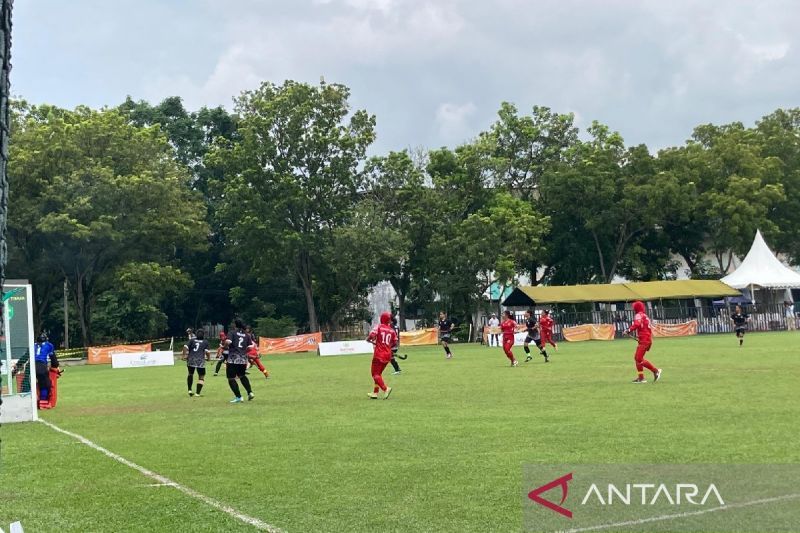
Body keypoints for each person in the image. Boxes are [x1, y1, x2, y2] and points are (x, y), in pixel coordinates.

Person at [625, 301, 661, 384]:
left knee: (638, 358)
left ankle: (656, 371)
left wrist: (628, 330)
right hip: (646, 339)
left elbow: (637, 324)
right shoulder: (645, 316)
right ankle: (641, 378)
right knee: (637, 358)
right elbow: (644, 328)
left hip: (644, 340)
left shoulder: (638, 315)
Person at [366, 311, 397, 399]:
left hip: (379, 354)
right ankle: (375, 393)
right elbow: (394, 342)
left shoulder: (379, 327)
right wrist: (387, 346)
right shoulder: (391, 330)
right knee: (378, 374)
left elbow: (372, 335)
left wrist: (368, 339)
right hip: (387, 355)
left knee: (375, 374)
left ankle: (385, 388)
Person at [224, 319, 256, 403]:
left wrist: (225, 346)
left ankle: (238, 397)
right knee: (242, 375)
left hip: (233, 358)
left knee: (231, 378)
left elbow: (228, 341)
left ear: (235, 325)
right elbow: (251, 346)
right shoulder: (246, 335)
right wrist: (244, 350)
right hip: (243, 358)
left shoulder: (232, 332)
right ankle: (250, 392)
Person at [183, 329, 210, 397]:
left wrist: (184, 356)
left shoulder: (192, 340)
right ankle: (197, 393)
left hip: (191, 359)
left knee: (190, 374)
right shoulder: (205, 342)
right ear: (203, 335)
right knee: (201, 376)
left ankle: (189, 390)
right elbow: (207, 352)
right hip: (200, 360)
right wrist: (208, 358)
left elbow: (185, 347)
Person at [33, 334, 60, 401]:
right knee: (45, 384)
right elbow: (53, 359)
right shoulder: (49, 345)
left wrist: (18, 365)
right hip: (41, 366)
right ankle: (43, 400)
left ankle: (28, 399)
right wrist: (55, 367)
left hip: (31, 366)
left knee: (28, 384)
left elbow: (25, 356)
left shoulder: (33, 345)